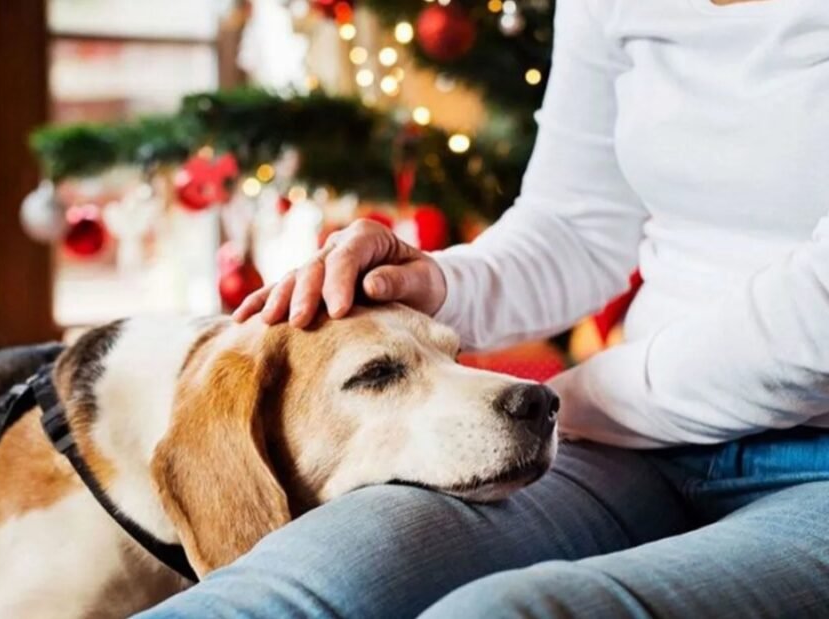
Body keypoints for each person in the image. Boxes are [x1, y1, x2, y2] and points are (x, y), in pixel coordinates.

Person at [139, 0, 829, 616]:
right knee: (280, 593)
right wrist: (431, 285)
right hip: (639, 450)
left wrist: (576, 398)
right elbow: (578, 226)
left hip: (797, 465)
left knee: (507, 610)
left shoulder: (600, 402)